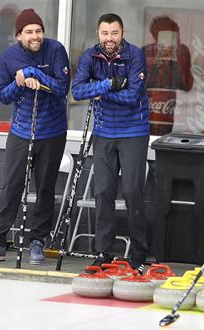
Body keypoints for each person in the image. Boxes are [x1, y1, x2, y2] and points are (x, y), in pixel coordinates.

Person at [0, 8, 70, 264]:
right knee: (12, 186)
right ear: (19, 35)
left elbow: (62, 89)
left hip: (52, 132)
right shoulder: (9, 56)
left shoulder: (55, 50)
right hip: (21, 131)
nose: (35, 36)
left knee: (45, 189)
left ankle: (37, 242)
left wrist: (35, 74)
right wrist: (19, 82)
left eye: (38, 31)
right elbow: (2, 95)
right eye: (29, 32)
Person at [71, 13, 150, 273]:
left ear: (122, 33)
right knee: (102, 191)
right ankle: (104, 252)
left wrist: (99, 90)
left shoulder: (135, 55)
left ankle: (139, 254)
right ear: (98, 34)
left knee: (131, 192)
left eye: (114, 33)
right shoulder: (89, 57)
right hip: (104, 132)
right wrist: (109, 83)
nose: (109, 38)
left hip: (133, 131)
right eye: (105, 33)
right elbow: (78, 91)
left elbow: (131, 96)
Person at [142, 16, 194, 135]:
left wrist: (174, 60)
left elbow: (187, 87)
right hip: (150, 112)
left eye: (176, 34)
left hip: (173, 113)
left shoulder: (182, 51)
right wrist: (158, 60)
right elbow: (140, 84)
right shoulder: (146, 51)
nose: (177, 38)